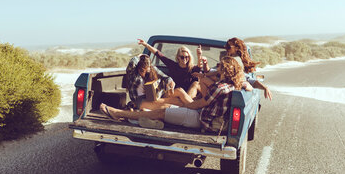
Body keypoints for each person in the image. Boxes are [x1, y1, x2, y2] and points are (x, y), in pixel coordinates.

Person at [101, 56, 247, 130]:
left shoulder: (219, 87)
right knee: (169, 106)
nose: (218, 67)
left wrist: (181, 97)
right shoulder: (229, 85)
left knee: (163, 109)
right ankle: (140, 118)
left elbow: (196, 105)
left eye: (220, 66)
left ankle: (119, 113)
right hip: (203, 115)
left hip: (202, 119)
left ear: (225, 69)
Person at [193, 37, 273, 100]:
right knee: (202, 80)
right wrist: (204, 73)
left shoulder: (234, 61)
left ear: (237, 48)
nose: (226, 48)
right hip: (225, 90)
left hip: (225, 91)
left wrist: (204, 75)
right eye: (226, 46)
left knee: (203, 80)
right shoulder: (233, 60)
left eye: (229, 47)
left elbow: (247, 79)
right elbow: (216, 72)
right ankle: (201, 100)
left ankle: (204, 101)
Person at [137, 39, 204, 98]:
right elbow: (158, 54)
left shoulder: (192, 68)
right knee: (179, 91)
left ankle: (188, 105)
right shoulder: (173, 66)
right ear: (178, 57)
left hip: (188, 95)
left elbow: (199, 67)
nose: (185, 59)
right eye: (182, 57)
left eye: (187, 57)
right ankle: (189, 105)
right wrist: (146, 45)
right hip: (175, 93)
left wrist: (199, 56)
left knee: (196, 84)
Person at [126, 54, 193, 110]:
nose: (144, 73)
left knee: (179, 91)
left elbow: (165, 77)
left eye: (147, 71)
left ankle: (196, 108)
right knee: (176, 103)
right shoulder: (133, 73)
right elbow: (132, 62)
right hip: (140, 100)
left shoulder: (152, 69)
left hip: (155, 95)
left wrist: (170, 82)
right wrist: (140, 56)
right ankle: (194, 112)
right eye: (141, 70)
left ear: (149, 67)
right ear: (138, 68)